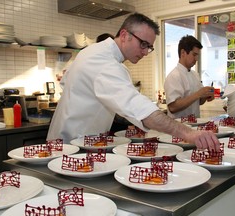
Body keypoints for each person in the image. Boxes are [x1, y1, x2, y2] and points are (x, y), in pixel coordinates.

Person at [47, 13, 220, 151]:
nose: (145, 52)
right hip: (71, 146)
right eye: (143, 44)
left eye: (149, 47)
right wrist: (189, 134)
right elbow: (140, 109)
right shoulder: (106, 63)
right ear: (124, 35)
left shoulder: (91, 51)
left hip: (72, 142)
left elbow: (66, 83)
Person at [164, 35, 215, 119]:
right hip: (178, 128)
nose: (196, 59)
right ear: (183, 53)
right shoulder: (174, 76)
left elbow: (199, 102)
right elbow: (173, 107)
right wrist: (198, 94)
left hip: (195, 125)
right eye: (194, 54)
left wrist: (206, 95)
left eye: (197, 55)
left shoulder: (195, 75)